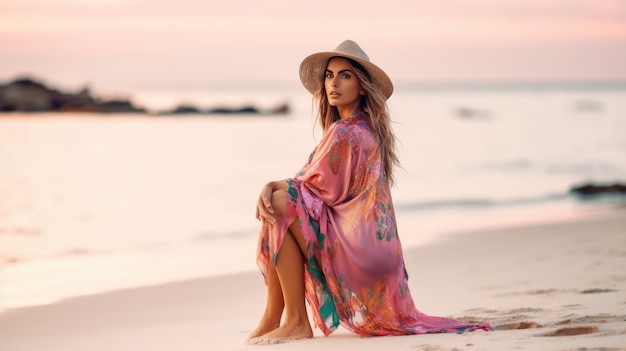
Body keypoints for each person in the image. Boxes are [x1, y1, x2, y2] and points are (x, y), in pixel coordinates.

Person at [248, 40, 491, 344]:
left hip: (360, 254)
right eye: (329, 75)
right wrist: (276, 187)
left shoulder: (347, 132)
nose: (333, 83)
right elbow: (314, 189)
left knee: (280, 204)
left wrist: (270, 186)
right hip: (378, 256)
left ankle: (290, 318)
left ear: (362, 86)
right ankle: (277, 316)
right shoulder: (363, 127)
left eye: (345, 75)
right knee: (281, 203)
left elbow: (310, 188)